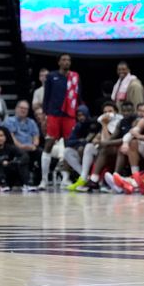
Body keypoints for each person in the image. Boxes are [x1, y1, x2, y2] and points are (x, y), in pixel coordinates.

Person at [41, 53, 80, 189]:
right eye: (63, 60)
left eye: (68, 60)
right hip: (54, 114)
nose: (66, 62)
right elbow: (46, 96)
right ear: (59, 62)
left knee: (68, 146)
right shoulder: (51, 76)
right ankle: (44, 180)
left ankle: (66, 178)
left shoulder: (74, 77)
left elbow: (77, 96)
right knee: (49, 143)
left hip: (69, 115)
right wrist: (45, 115)